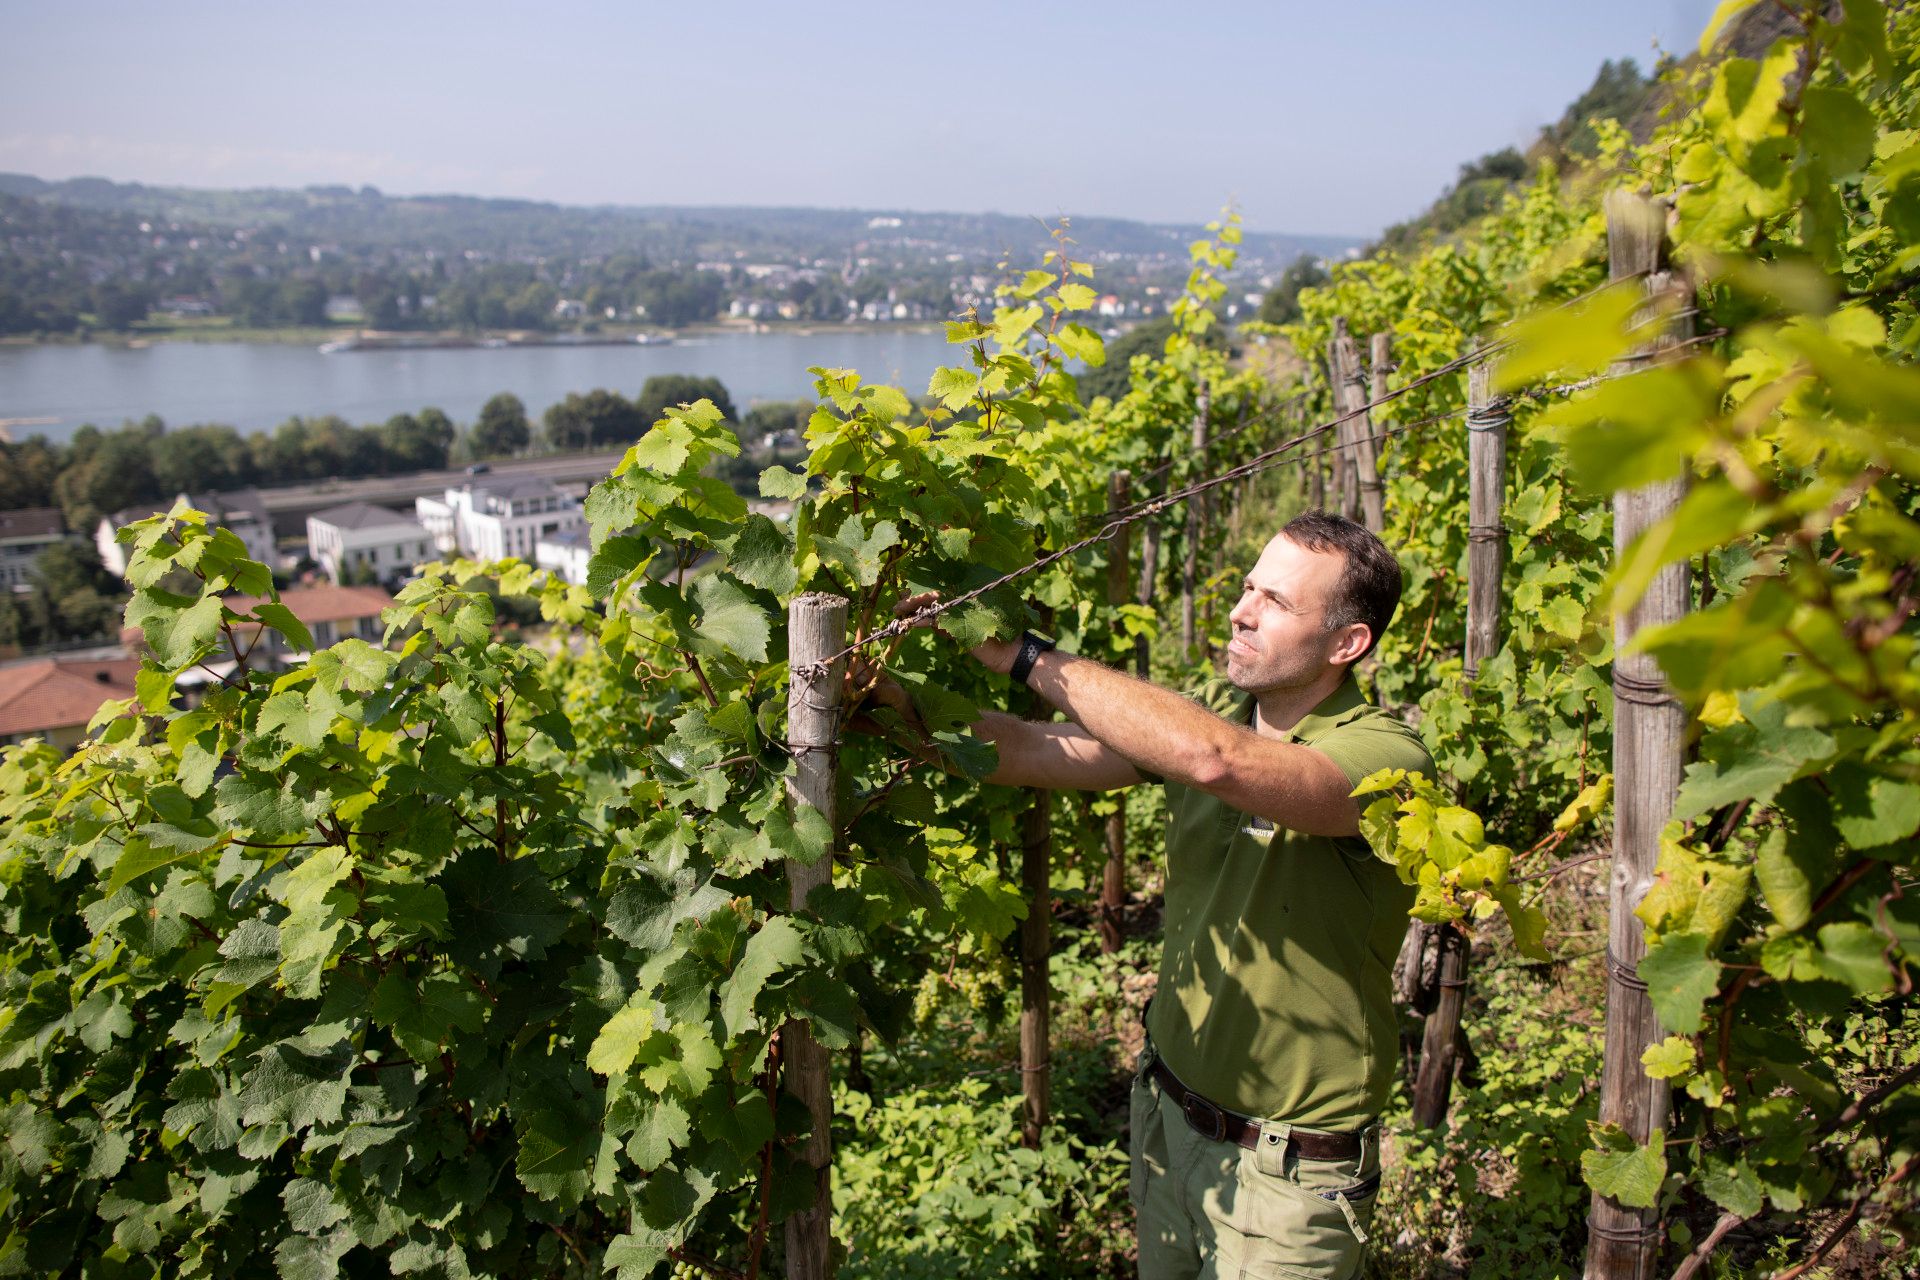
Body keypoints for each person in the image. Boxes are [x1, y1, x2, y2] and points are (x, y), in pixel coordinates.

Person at [866, 509, 1433, 1280]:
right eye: (1247, 588)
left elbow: (1211, 760)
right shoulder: (1217, 718)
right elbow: (1038, 747)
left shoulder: (1385, 759)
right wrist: (894, 709)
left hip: (1288, 1177)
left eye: (1276, 602)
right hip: (1167, 1120)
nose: (1241, 611)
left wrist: (1027, 657)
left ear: (1347, 644)